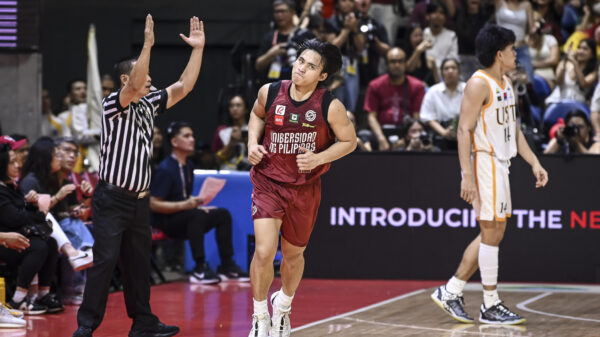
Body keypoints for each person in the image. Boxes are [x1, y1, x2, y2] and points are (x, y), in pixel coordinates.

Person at [73, 15, 205, 337]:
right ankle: (86, 327)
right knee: (105, 263)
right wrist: (147, 45)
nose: (150, 81)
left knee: (138, 265)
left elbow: (184, 86)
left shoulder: (148, 106)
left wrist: (198, 50)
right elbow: (135, 84)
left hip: (139, 201)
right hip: (112, 198)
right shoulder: (112, 105)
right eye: (144, 76)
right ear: (124, 79)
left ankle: (143, 322)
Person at [431, 24, 549, 325]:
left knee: (492, 233)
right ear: (499, 54)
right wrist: (466, 176)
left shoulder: (506, 82)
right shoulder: (478, 84)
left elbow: (514, 129)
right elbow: (463, 130)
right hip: (485, 162)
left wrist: (534, 162)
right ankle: (490, 303)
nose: (515, 54)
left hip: (501, 163)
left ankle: (452, 290)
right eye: (512, 50)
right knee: (491, 231)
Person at [246, 39, 356, 337]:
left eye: (311, 67)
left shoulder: (329, 105)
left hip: (304, 188)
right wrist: (253, 144)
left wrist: (319, 157)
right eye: (300, 61)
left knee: (293, 256)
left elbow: (350, 141)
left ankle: (282, 307)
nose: (301, 69)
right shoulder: (269, 92)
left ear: (322, 76)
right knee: (265, 250)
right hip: (268, 181)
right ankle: (259, 316)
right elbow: (256, 114)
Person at [150, 121, 250, 284]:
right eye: (186, 136)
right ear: (174, 142)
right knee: (195, 216)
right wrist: (187, 206)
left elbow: (183, 198)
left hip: (183, 215)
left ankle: (227, 265)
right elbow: (154, 204)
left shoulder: (188, 165)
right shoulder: (165, 169)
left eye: (192, 136)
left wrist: (196, 204)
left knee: (221, 214)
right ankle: (199, 267)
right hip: (165, 221)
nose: (192, 139)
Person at [0, 142, 58, 316]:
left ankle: (42, 295)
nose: (18, 165)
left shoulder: (11, 186)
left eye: (17, 161)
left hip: (16, 235)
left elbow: (22, 214)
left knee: (51, 243)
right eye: (12, 162)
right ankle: (17, 300)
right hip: (4, 241)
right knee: (37, 246)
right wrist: (38, 212)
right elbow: (14, 218)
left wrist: (31, 205)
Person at [364, 47, 426, 150]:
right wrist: (381, 138)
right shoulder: (375, 85)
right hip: (382, 131)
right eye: (392, 61)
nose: (396, 65)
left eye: (400, 61)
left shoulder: (417, 86)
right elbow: (371, 116)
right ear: (387, 64)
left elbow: (416, 117)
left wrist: (408, 139)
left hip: (407, 132)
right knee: (364, 135)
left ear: (405, 64)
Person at [255, 0, 315, 84]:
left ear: (293, 12)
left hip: (301, 84)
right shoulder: (270, 37)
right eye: (276, 12)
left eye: (282, 11)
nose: (279, 15)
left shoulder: (304, 35)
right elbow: (258, 66)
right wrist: (272, 53)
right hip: (274, 85)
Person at [420, 58, 465, 149]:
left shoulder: (468, 88)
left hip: (465, 134)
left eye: (453, 68)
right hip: (440, 135)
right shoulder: (433, 91)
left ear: (459, 71)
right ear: (441, 73)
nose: (450, 71)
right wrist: (444, 133)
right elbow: (427, 117)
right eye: (446, 68)